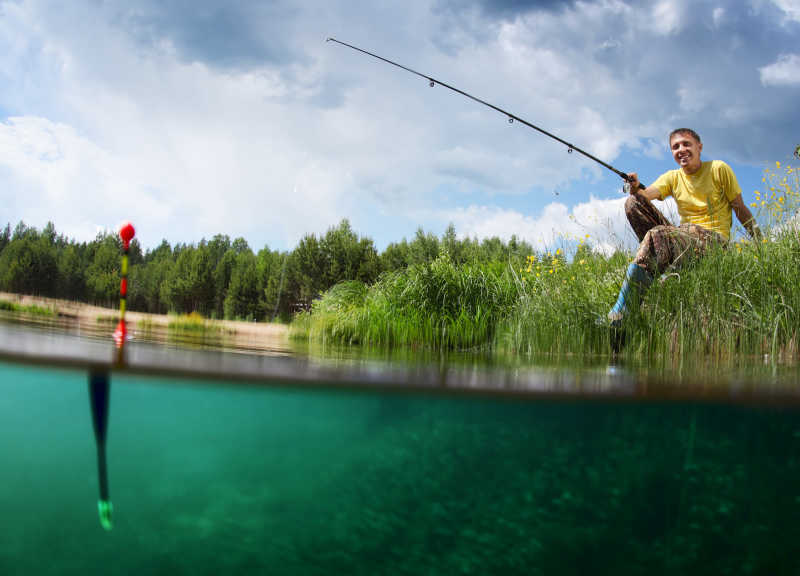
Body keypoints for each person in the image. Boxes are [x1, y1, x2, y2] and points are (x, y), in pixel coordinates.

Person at [607, 128, 760, 325]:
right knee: (633, 203)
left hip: (712, 240)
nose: (681, 149)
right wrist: (634, 185)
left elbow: (740, 208)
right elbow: (643, 197)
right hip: (684, 236)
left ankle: (624, 310)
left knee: (659, 234)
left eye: (687, 144)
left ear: (699, 147)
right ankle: (655, 264)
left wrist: (760, 241)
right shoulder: (673, 177)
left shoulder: (718, 169)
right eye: (675, 147)